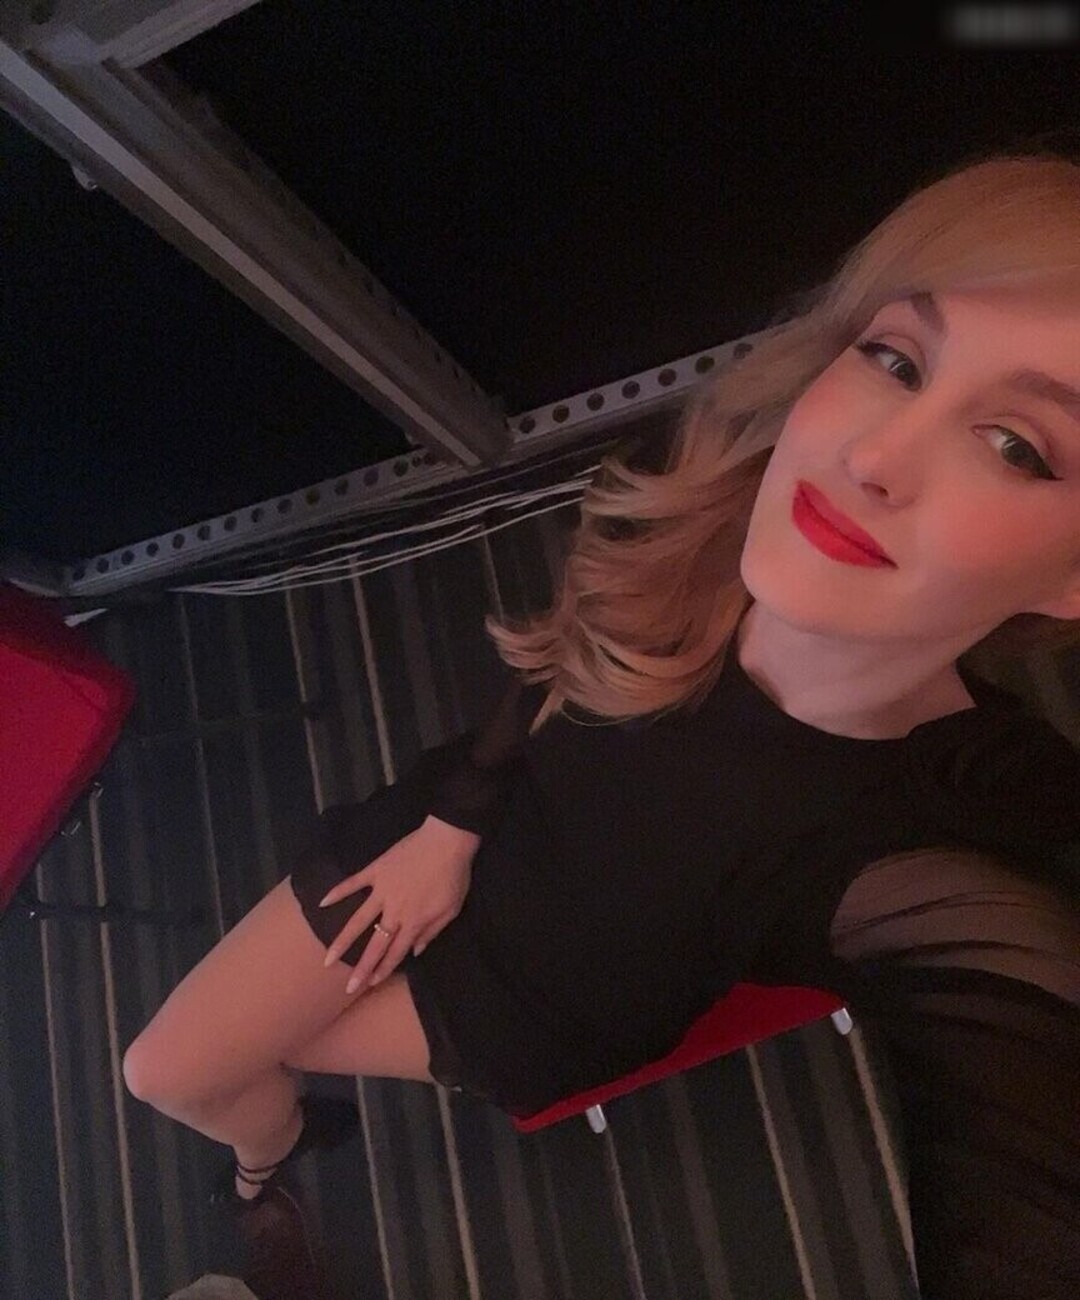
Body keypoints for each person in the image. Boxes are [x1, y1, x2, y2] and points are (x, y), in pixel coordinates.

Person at [123, 148, 1080, 1299]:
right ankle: (276, 1144)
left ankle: (264, 1155)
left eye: (1016, 444)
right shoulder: (734, 504)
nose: (871, 456)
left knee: (210, 1061)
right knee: (168, 1068)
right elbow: (574, 658)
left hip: (526, 1001)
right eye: (896, 358)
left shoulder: (938, 841)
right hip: (455, 829)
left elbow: (1027, 1163)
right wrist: (452, 826)